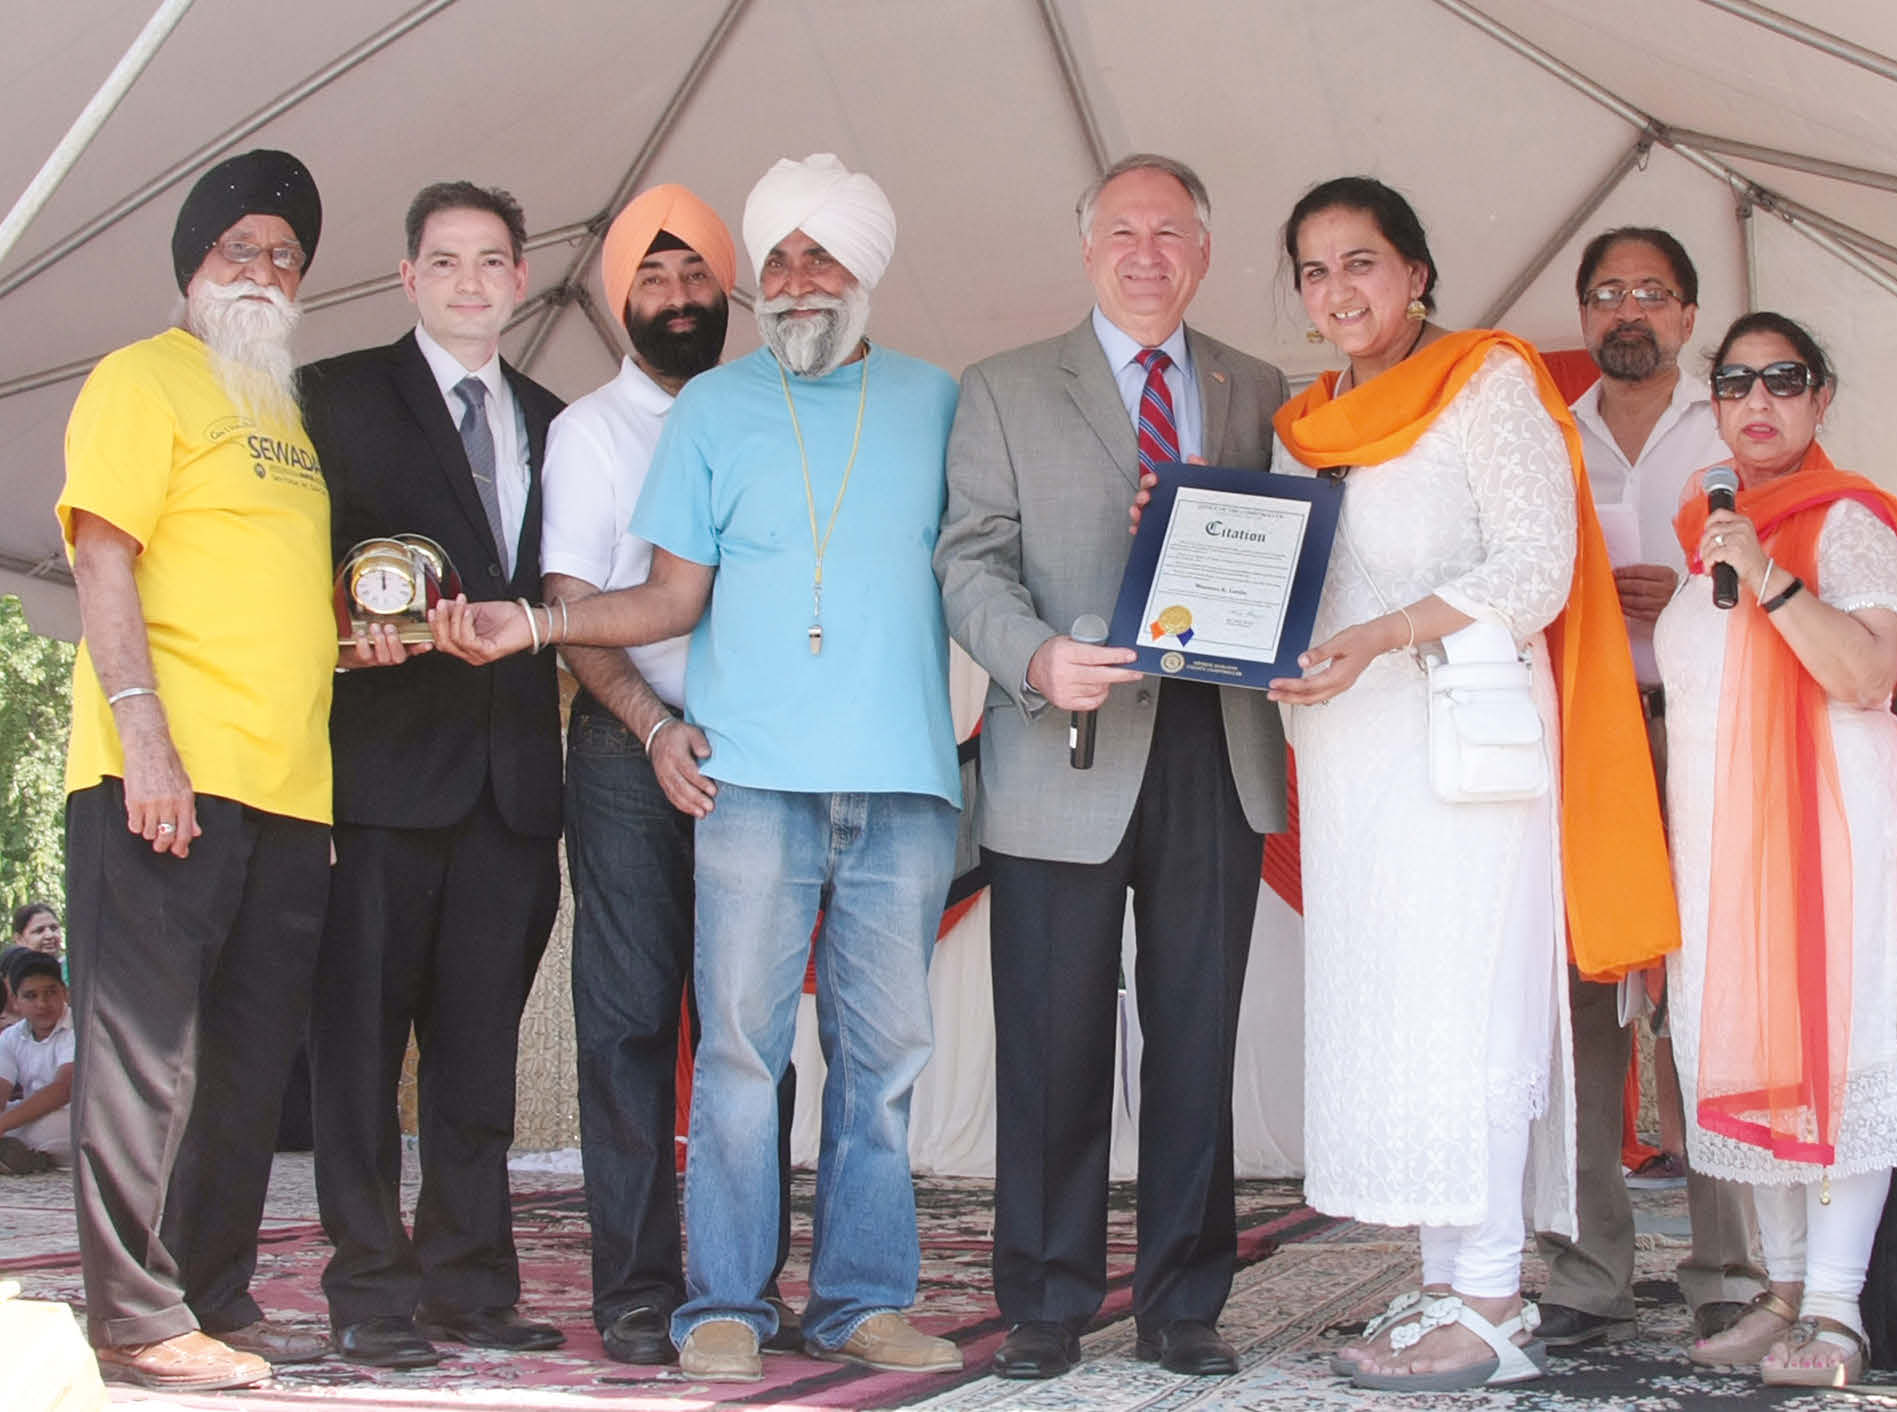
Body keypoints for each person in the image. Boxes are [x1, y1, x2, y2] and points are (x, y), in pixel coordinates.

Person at [432, 152, 964, 1385]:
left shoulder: (940, 401)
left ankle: (862, 1300)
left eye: (817, 256)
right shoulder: (715, 409)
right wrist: (537, 623)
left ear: (864, 272)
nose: (792, 280)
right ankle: (720, 1297)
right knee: (736, 1053)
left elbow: (990, 560)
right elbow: (670, 595)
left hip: (902, 781)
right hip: (753, 779)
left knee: (883, 1065)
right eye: (775, 258)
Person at [1259, 178, 1675, 1392]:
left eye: (1363, 263)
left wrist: (1383, 636)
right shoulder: (1306, 422)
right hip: (1349, 761)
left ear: (1417, 274)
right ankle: (1444, 1283)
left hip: (1466, 757)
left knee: (1470, 1016)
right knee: (1401, 1025)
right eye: (1314, 269)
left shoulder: (1487, 382)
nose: (1340, 290)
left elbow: (1537, 564)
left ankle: (1494, 1297)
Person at [934, 153, 1288, 1380]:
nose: (1148, 254)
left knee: (1197, 1038)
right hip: (1060, 743)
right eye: (1123, 232)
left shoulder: (1257, 386)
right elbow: (967, 562)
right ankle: (1043, 1299)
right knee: (1051, 1039)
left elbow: (1281, 553)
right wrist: (1033, 661)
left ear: (1204, 252)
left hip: (1214, 745)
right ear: (1085, 247)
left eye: (1172, 233)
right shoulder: (1002, 387)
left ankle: (1184, 1299)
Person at [57, 149, 380, 1390]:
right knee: (148, 1053)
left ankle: (216, 1295)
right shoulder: (142, 379)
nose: (265, 270)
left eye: (286, 256)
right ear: (193, 264)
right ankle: (135, 1319)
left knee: (249, 1056)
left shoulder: (286, 417)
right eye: (240, 248)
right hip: (163, 775)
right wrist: (144, 734)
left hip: (291, 793)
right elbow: (100, 556)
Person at [1657, 311, 1897, 1385]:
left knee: (1834, 1056)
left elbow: (1862, 675)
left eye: (1782, 379)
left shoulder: (1846, 522)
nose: (1756, 400)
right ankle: (1783, 1288)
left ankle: (1837, 1318)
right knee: (1750, 1055)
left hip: (1829, 840)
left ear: (1820, 396)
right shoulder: (1703, 528)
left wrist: (1764, 570)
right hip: (1722, 842)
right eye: (1734, 380)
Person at [298, 182, 566, 1370]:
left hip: (511, 785)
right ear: (406, 276)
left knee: (477, 1056)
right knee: (359, 1051)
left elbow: (563, 586)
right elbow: (297, 561)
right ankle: (367, 1288)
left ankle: (468, 1280)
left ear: (518, 278)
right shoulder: (335, 394)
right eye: (445, 260)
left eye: (491, 260)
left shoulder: (557, 419)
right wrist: (331, 628)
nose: (470, 281)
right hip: (377, 778)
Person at [539, 183, 798, 1363]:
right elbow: (575, 610)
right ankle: (638, 1290)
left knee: (752, 1031)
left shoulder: (775, 409)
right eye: (654, 278)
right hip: (629, 748)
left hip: (764, 753)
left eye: (696, 276)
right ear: (619, 302)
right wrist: (651, 726)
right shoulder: (592, 431)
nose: (679, 298)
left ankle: (743, 1283)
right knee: (632, 1022)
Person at [1533, 227, 1765, 1350]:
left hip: (1706, 735)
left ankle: (1727, 1264)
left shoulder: (1734, 426)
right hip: (1585, 737)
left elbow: (1787, 567)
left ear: (1685, 316)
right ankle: (1584, 1271)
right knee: (1583, 999)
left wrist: (1688, 590)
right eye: (1607, 292)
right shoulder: (1541, 430)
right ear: (1583, 314)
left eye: (1652, 294)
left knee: (1708, 995)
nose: (1628, 310)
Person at [0, 952, 73, 1174]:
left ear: (64, 991)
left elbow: (63, 1090)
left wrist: (2, 1125)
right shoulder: (11, 1037)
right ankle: (16, 1156)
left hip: (75, 1118)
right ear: (15, 1001)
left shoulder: (80, 1028)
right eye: (31, 996)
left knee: (52, 1127)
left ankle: (16, 1155)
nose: (42, 1003)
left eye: (51, 992)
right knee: (21, 1118)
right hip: (30, 1115)